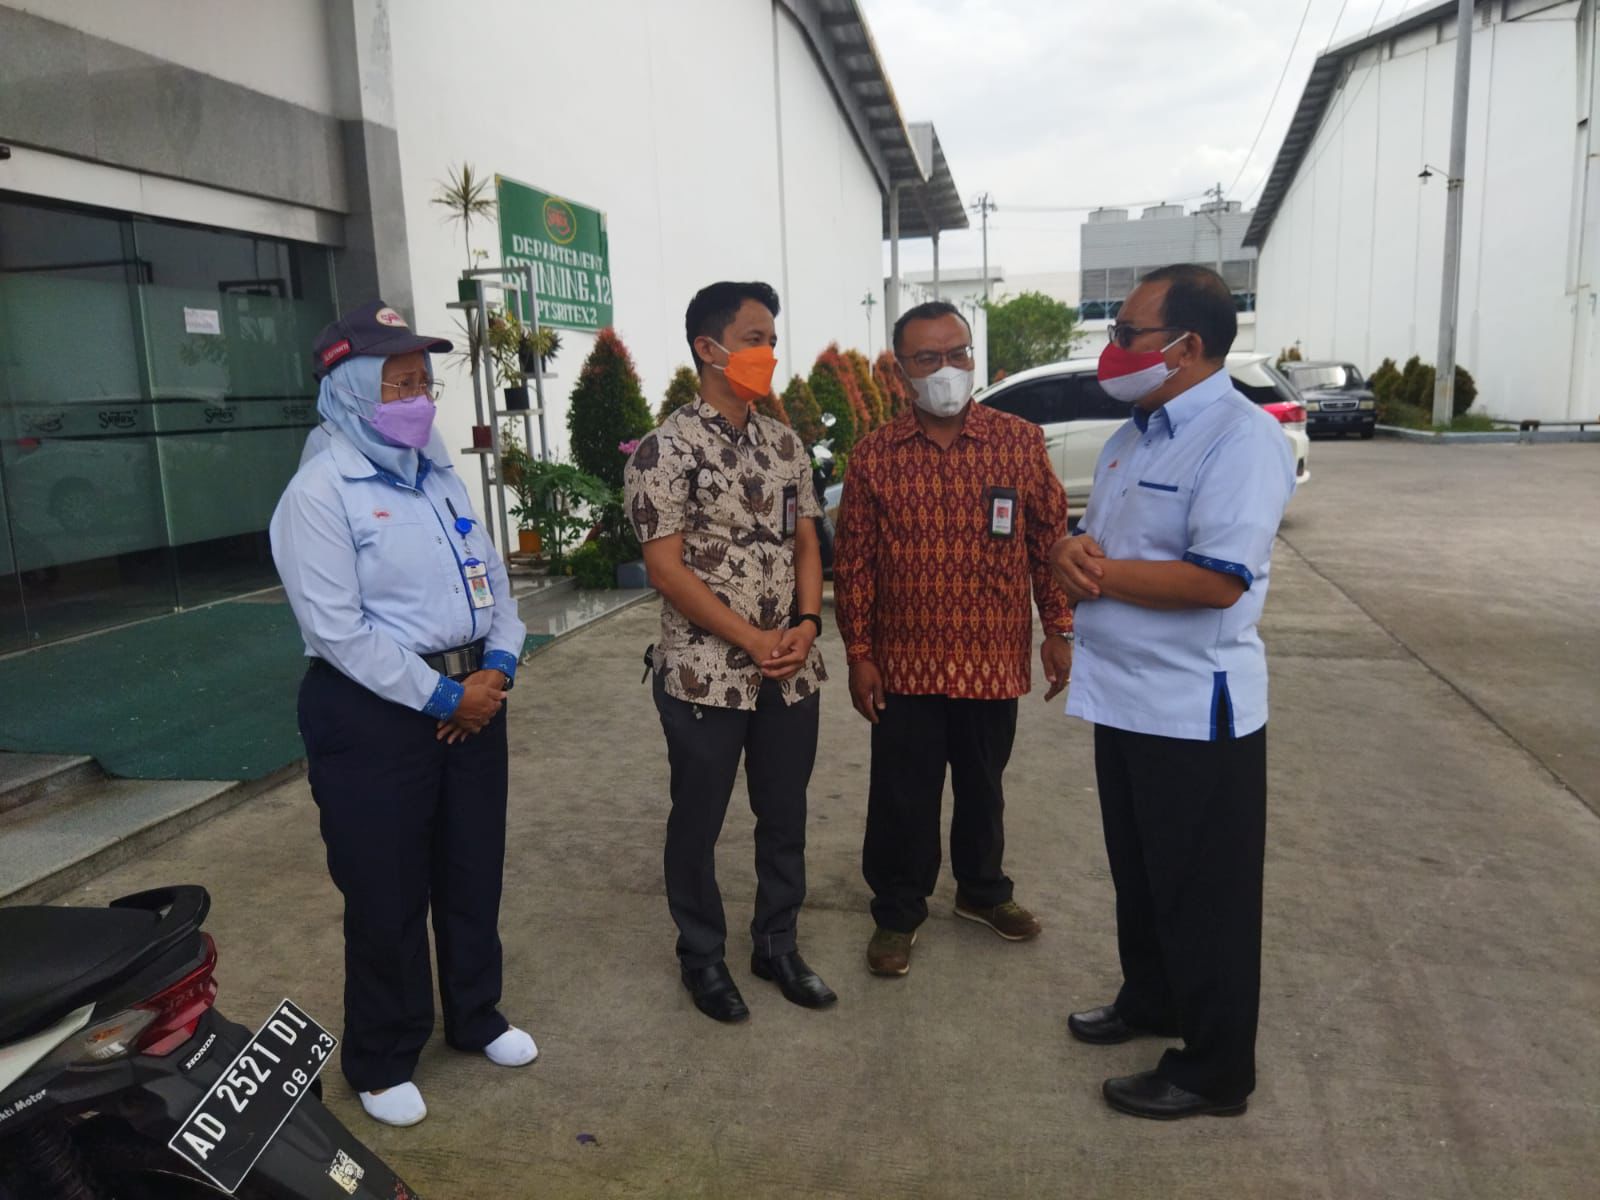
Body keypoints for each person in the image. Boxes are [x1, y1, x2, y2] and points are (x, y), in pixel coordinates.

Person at [270, 300, 537, 1128]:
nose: (418, 397)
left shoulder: (442, 475)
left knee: (470, 869)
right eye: (399, 382)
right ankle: (382, 1058)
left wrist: (493, 671)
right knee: (384, 892)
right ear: (351, 391)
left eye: (424, 380)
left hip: (474, 699)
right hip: (372, 715)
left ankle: (475, 1017)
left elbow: (496, 589)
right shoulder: (319, 493)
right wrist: (446, 697)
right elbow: (336, 630)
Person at [1051, 264, 1294, 1120]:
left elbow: (1218, 579)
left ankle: (1216, 1069)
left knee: (1206, 896)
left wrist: (1100, 573)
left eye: (1128, 334)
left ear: (1187, 346)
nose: (1114, 350)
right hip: (1122, 697)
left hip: (1197, 711)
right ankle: (1150, 999)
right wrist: (1071, 554)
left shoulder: (1240, 440)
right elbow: (1101, 542)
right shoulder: (1134, 434)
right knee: (1143, 874)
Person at [832, 300, 1074, 978]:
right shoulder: (875, 456)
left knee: (982, 785)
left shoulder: (1018, 442)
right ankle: (898, 911)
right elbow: (854, 565)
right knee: (902, 795)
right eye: (928, 358)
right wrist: (859, 655)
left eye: (958, 353)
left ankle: (981, 891)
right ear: (901, 370)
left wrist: (1059, 629)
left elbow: (1047, 542)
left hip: (991, 656)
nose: (948, 369)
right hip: (903, 662)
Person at [623, 280, 834, 1023]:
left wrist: (806, 624)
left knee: (784, 814)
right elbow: (665, 568)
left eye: (771, 337)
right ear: (708, 349)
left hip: (791, 667)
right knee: (700, 818)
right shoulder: (665, 449)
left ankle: (776, 942)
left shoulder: (784, 442)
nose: (767, 352)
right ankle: (702, 956)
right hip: (705, 674)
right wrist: (752, 639)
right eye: (754, 338)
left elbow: (806, 538)